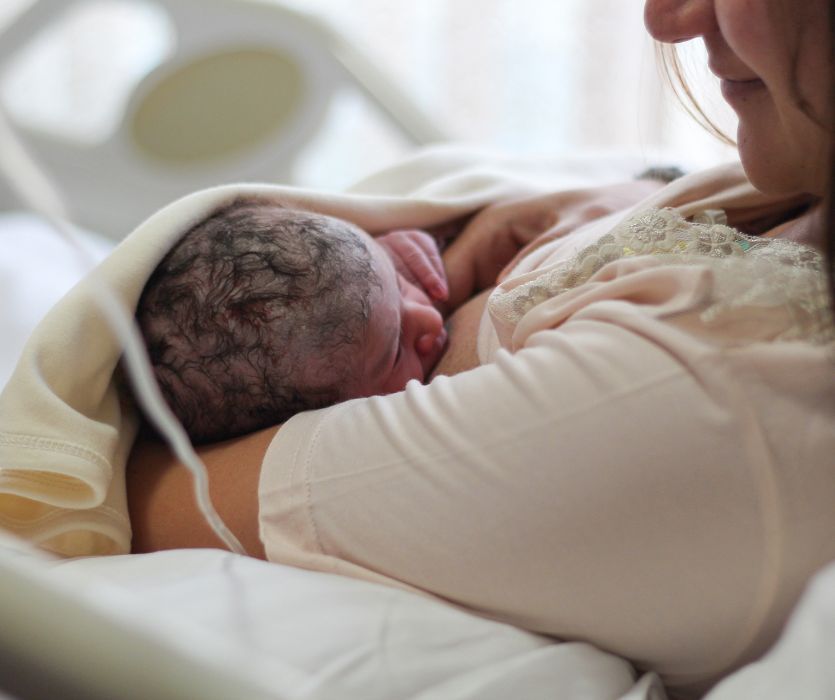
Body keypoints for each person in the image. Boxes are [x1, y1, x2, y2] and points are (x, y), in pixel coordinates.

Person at [127, 1, 835, 697]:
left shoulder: (705, 391)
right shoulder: (786, 187)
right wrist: (638, 190)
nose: (665, 17)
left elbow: (133, 497)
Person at [135, 198, 449, 443]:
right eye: (394, 355)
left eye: (399, 282)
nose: (432, 317)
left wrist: (409, 250)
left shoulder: (362, 293)